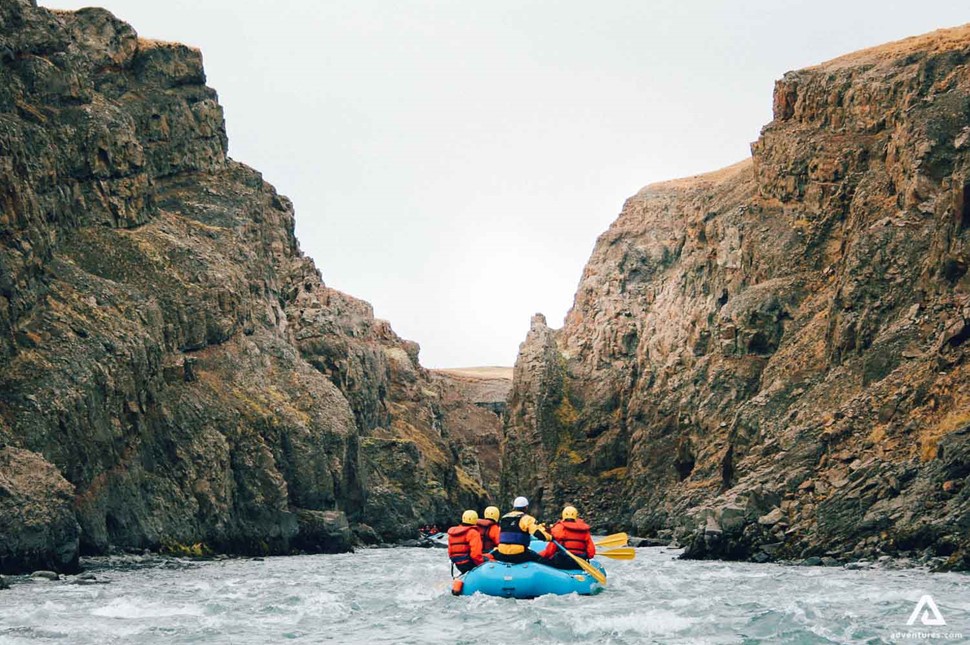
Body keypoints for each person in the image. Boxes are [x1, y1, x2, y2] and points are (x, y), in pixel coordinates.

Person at [493, 496, 551, 564]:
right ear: (526, 507)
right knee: (541, 560)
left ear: (514, 507)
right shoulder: (527, 519)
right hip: (519, 555)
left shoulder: (504, 518)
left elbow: (500, 535)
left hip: (502, 554)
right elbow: (538, 533)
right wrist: (550, 537)